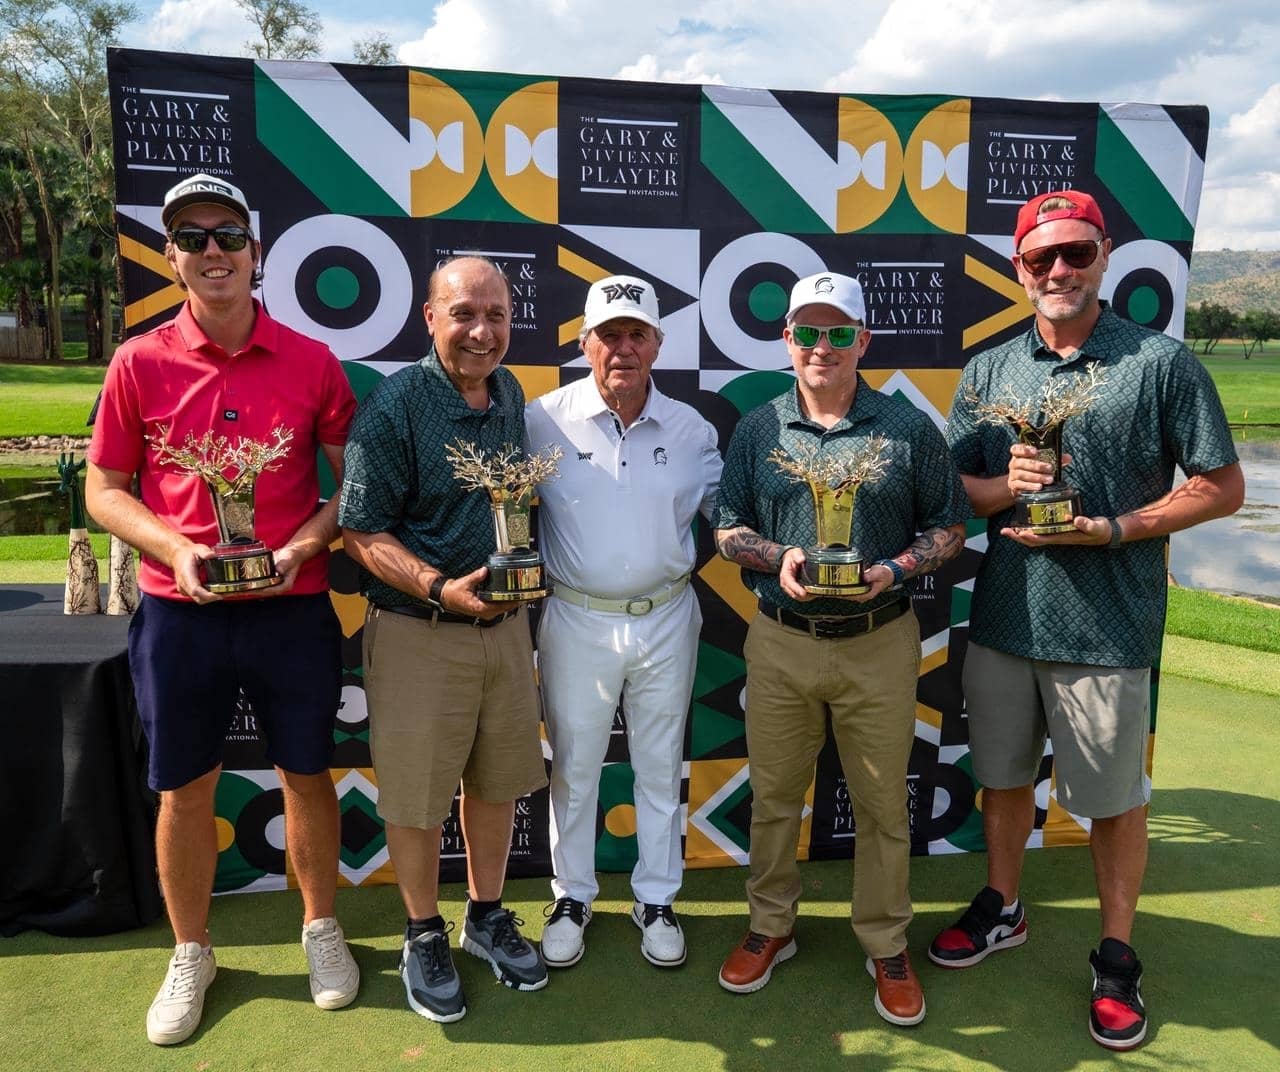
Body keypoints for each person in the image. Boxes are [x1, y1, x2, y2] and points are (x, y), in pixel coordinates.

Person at [934, 189, 1244, 1051]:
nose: (1060, 270)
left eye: (1077, 253)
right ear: (1018, 267)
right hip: (1005, 615)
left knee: (1112, 802)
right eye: (1042, 257)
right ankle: (1003, 906)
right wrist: (1010, 489)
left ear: (1105, 255)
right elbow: (957, 490)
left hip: (1109, 625)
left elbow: (1223, 487)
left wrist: (1117, 528)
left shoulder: (1158, 361)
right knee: (1000, 779)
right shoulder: (991, 369)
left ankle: (1116, 954)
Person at [86, 173, 360, 1046]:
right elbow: (105, 489)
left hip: (294, 605)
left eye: (228, 235)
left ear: (257, 253)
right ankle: (192, 951)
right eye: (193, 237)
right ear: (169, 257)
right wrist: (176, 549)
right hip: (182, 610)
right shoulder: (138, 360)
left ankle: (320, 929)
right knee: (183, 787)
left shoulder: (313, 361)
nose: (213, 251)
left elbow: (353, 489)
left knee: (306, 775)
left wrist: (301, 547)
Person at [713, 272, 969, 1026]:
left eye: (837, 333)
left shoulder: (907, 428)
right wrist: (773, 556)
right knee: (774, 798)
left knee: (884, 803)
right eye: (807, 333)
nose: (821, 348)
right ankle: (770, 926)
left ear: (863, 340)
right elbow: (727, 527)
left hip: (878, 640)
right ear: (787, 340)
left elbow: (949, 528)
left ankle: (885, 940)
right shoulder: (760, 428)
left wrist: (894, 569)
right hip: (782, 641)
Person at [338, 255, 549, 1023]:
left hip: (503, 626)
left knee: (495, 781)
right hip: (421, 627)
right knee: (420, 796)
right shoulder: (393, 407)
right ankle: (423, 931)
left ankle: (485, 914)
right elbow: (360, 531)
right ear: (430, 317)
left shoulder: (511, 393)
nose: (481, 332)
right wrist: (436, 586)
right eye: (464, 314)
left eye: (495, 315)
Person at [525, 275, 722, 970]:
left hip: (669, 614)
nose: (623, 348)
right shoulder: (540, 419)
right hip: (576, 616)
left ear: (658, 344)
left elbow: (727, 520)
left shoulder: (693, 430)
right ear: (585, 343)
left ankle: (657, 898)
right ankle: (572, 895)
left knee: (660, 765)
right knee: (574, 765)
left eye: (637, 334)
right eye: (609, 334)